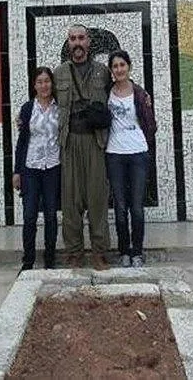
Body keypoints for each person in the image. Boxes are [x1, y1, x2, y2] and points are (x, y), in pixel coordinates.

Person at [53, 24, 111, 270]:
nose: (77, 42)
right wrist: (25, 116)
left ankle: (99, 252)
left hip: (95, 141)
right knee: (71, 201)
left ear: (89, 42)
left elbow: (120, 89)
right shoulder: (59, 73)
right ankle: (74, 252)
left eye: (81, 38)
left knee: (97, 199)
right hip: (70, 141)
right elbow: (46, 99)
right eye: (72, 38)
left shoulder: (103, 72)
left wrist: (142, 97)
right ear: (68, 43)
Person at [105, 50, 157, 268]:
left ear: (129, 67)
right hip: (114, 154)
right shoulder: (106, 92)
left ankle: (137, 251)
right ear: (111, 70)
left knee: (136, 207)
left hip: (138, 153)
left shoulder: (140, 94)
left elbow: (151, 124)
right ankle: (124, 251)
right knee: (119, 207)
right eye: (115, 66)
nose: (119, 69)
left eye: (122, 65)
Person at [13, 67, 60, 272]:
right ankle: (28, 261)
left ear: (52, 83)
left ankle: (50, 260)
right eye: (39, 82)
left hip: (53, 167)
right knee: (30, 215)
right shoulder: (27, 109)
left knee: (50, 215)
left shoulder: (59, 107)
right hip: (31, 167)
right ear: (34, 85)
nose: (44, 85)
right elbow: (22, 141)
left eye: (47, 81)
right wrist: (17, 171)